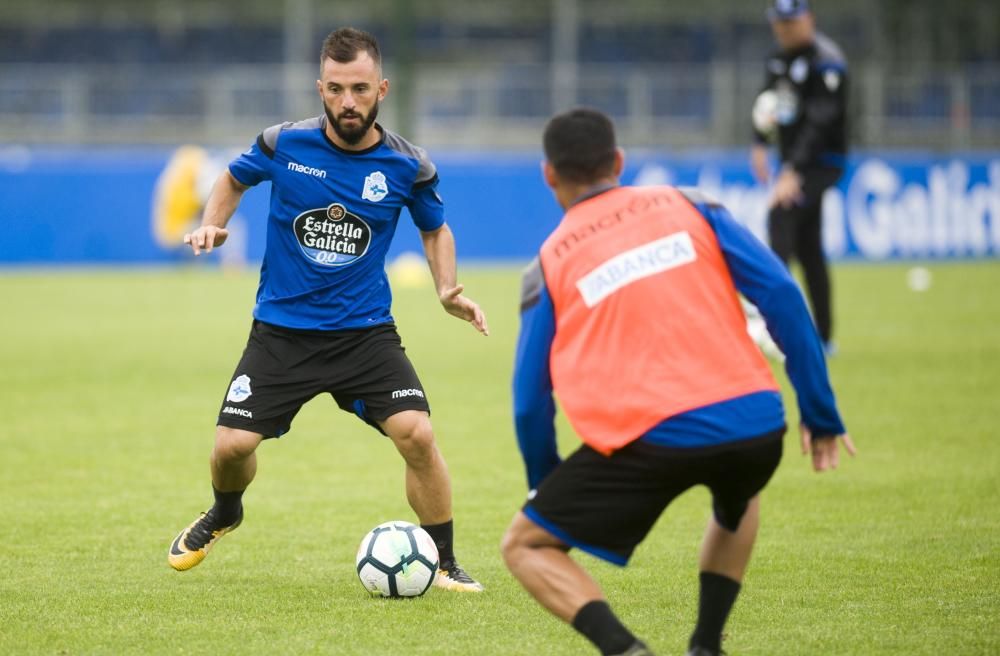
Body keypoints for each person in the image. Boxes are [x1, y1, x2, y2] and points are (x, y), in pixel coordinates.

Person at [501, 108, 855, 656]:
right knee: (739, 493)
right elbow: (783, 296)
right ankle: (706, 646)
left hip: (651, 436)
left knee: (524, 545)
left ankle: (625, 650)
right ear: (619, 162)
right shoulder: (692, 205)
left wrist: (546, 488)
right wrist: (819, 410)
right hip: (757, 423)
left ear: (549, 174)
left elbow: (529, 400)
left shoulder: (547, 262)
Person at [167, 27, 487, 593]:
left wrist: (446, 288)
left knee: (417, 435)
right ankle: (225, 512)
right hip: (281, 334)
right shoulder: (283, 143)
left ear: (381, 88)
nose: (347, 102)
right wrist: (214, 221)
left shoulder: (407, 164)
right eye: (336, 88)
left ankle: (442, 559)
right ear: (320, 86)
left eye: (360, 89)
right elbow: (233, 178)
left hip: (364, 336)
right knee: (230, 448)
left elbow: (434, 229)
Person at [750, 0, 848, 354]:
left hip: (821, 163)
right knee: (808, 247)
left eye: (791, 22)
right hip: (792, 162)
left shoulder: (828, 62)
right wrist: (759, 142)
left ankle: (774, 326)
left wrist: (793, 170)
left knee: (781, 220)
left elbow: (820, 124)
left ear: (809, 20)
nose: (785, 29)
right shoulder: (778, 59)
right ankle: (823, 337)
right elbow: (767, 104)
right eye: (780, 23)